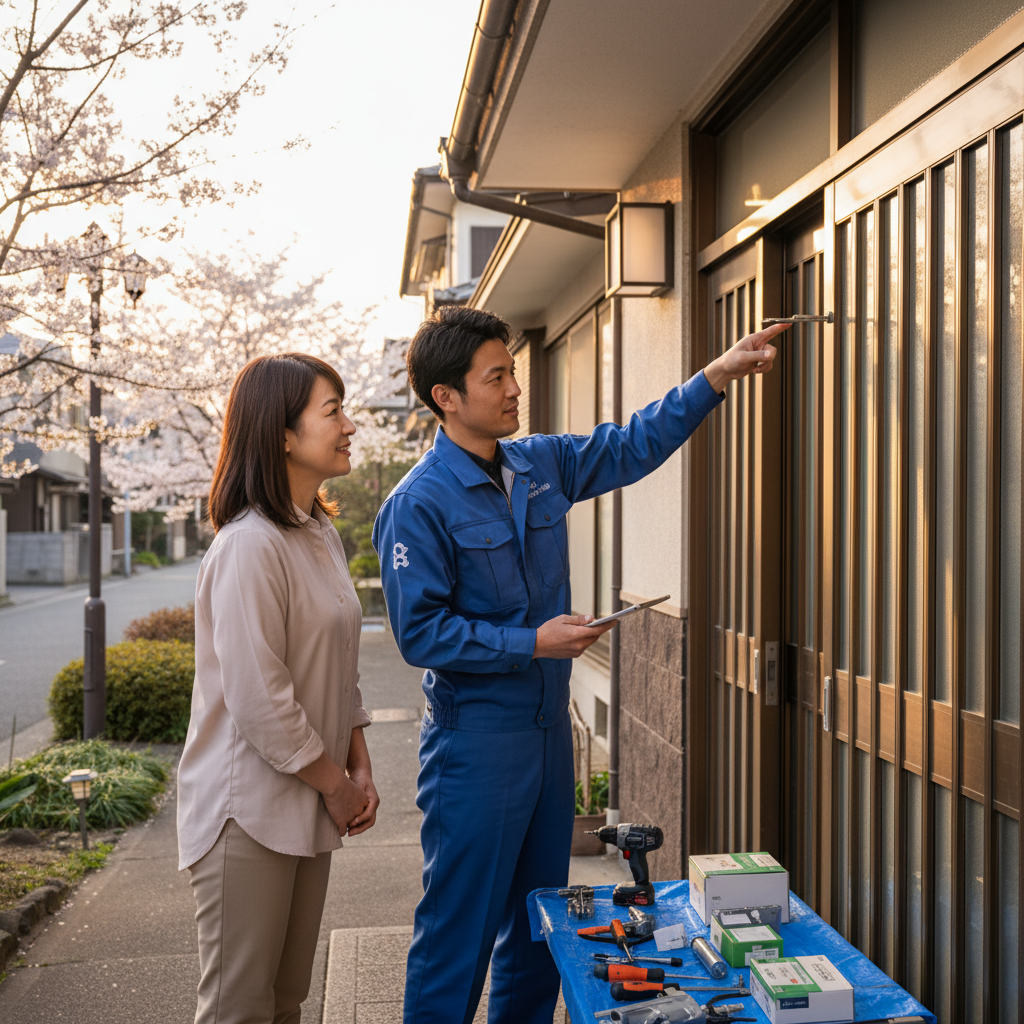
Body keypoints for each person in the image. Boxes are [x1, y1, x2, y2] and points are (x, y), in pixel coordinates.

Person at [372, 306, 784, 1024]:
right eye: (496, 376)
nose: (513, 389)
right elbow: (421, 634)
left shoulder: (538, 463)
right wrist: (531, 642)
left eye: (513, 373)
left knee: (543, 926)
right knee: (457, 934)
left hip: (546, 737)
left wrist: (714, 377)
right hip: (476, 746)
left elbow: (631, 445)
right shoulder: (417, 504)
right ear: (447, 397)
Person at [177, 352, 380, 1024]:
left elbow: (339, 661)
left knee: (287, 1000)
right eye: (333, 411)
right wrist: (336, 783)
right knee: (239, 1008)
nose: (350, 425)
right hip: (248, 811)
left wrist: (360, 763)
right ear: (283, 434)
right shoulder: (248, 546)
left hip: (313, 798)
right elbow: (260, 699)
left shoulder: (316, 532)